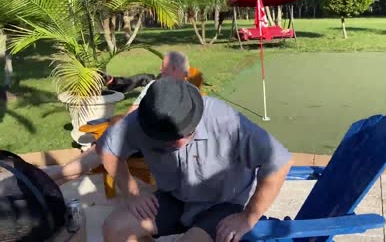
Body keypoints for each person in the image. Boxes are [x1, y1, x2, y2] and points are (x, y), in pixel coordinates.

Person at [98, 77, 292, 242]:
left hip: (224, 203)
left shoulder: (225, 120)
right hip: (175, 197)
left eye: (185, 131)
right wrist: (132, 192)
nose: (179, 142)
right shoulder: (145, 119)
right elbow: (106, 149)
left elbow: (279, 162)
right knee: (114, 227)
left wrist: (248, 217)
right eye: (169, 137)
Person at [44, 51, 191, 185]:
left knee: (101, 150)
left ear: (175, 69)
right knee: (99, 148)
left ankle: (50, 177)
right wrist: (118, 130)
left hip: (152, 143)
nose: (159, 70)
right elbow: (132, 112)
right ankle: (52, 179)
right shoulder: (154, 85)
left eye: (163, 67)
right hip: (135, 134)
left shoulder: (186, 94)